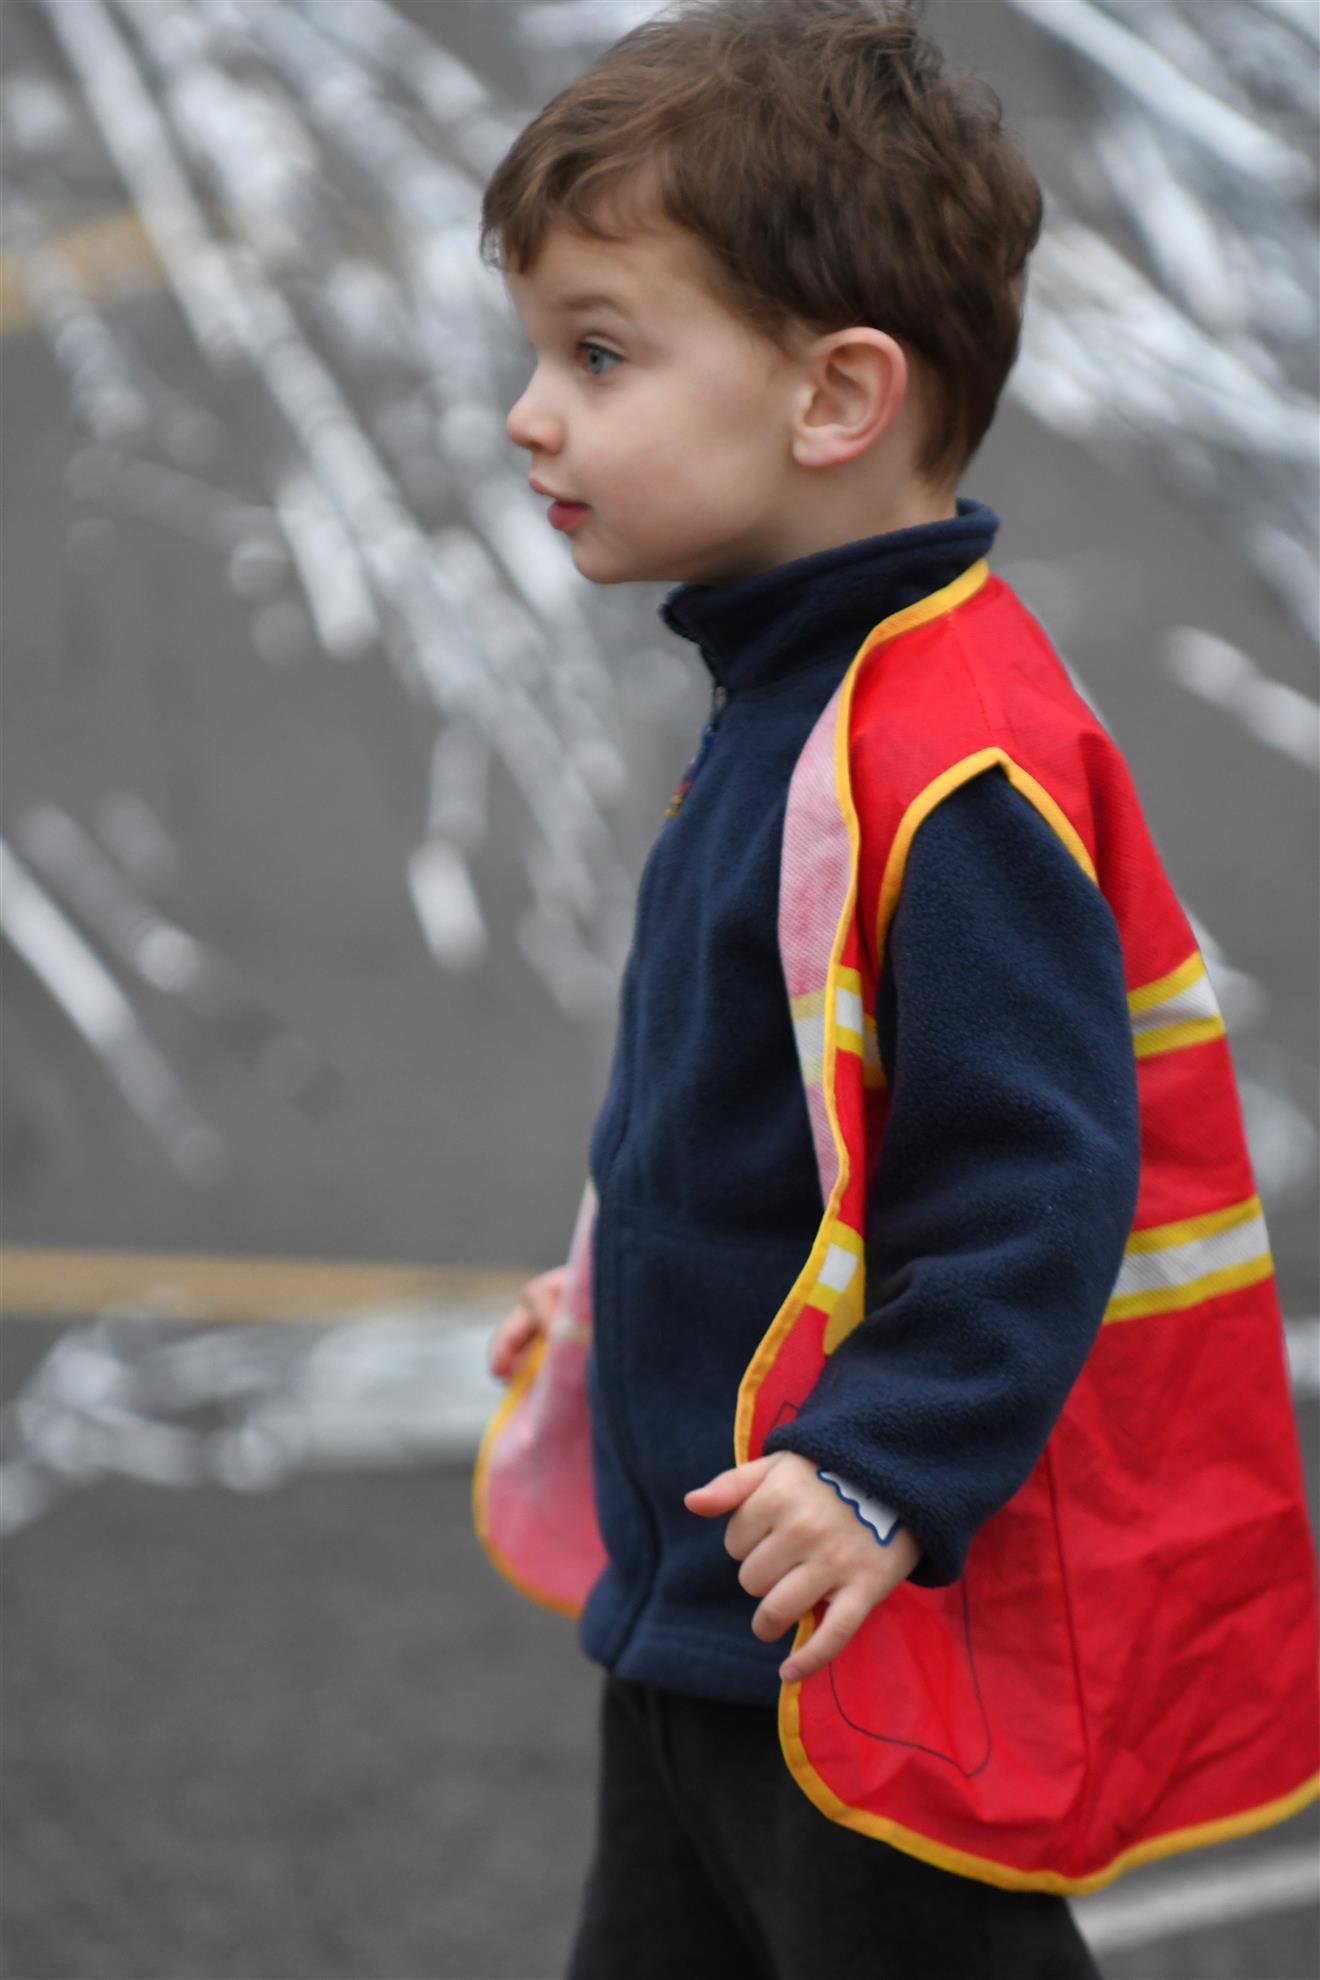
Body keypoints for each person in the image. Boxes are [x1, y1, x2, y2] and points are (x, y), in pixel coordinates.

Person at [474, 4, 1320, 1976]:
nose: (530, 415)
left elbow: (1032, 1180)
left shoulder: (946, 752)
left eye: (597, 354)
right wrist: (607, 1294)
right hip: (714, 1607)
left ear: (838, 396)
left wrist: (882, 1468)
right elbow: (754, 1122)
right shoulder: (793, 697)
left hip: (853, 1618)